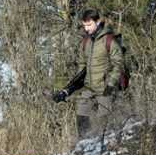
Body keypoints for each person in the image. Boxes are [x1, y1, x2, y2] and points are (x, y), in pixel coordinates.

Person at [51, 9, 125, 140]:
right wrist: (67, 90)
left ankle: (109, 144)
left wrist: (111, 84)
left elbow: (118, 64)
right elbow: (81, 69)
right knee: (81, 112)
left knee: (105, 122)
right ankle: (84, 143)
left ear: (98, 22)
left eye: (89, 25)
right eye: (84, 25)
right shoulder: (86, 42)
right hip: (89, 88)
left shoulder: (109, 40)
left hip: (105, 88)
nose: (86, 28)